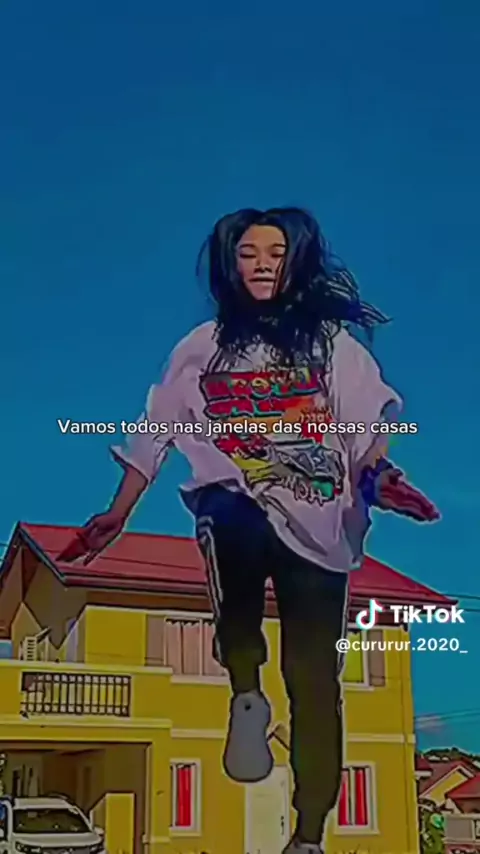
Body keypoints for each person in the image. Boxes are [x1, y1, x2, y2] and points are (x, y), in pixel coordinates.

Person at [59, 207, 439, 854]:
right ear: (229, 265)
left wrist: (382, 480)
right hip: (233, 500)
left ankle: (309, 833)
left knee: (313, 679)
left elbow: (363, 432)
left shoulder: (331, 348)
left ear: (296, 263)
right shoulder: (201, 348)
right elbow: (155, 432)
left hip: (318, 518)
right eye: (248, 253)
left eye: (275, 253)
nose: (261, 264)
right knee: (228, 514)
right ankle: (245, 694)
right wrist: (118, 512)